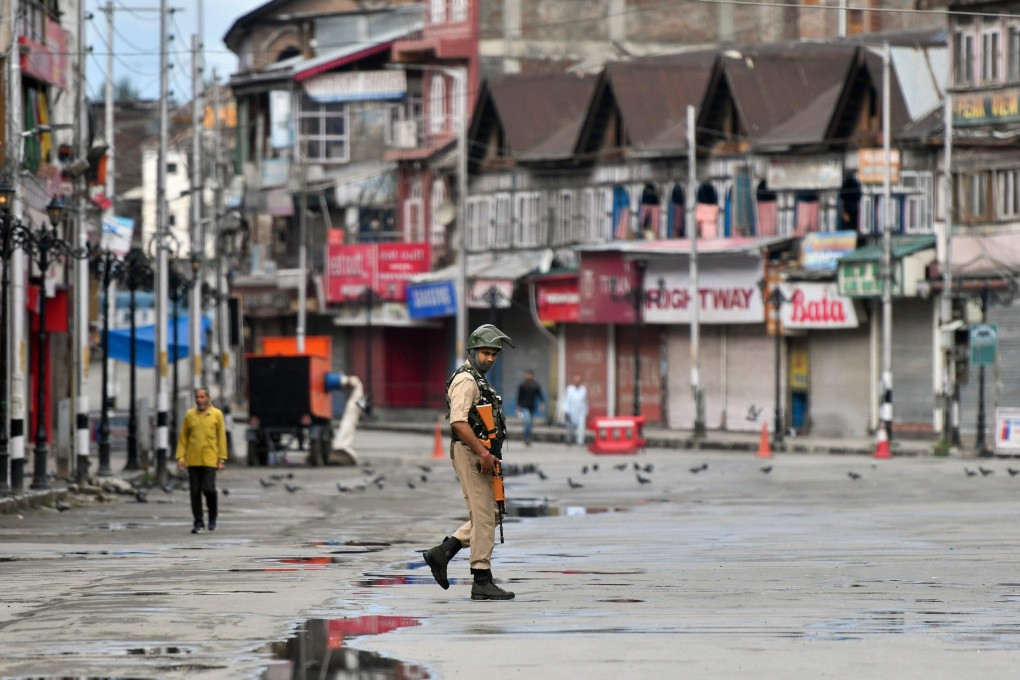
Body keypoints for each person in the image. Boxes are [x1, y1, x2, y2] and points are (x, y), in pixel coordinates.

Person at [422, 323, 516, 601]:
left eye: (494, 354)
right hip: (471, 453)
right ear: (473, 351)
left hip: (482, 454)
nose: (490, 358)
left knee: (493, 512)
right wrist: (484, 454)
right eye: (486, 352)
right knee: (485, 514)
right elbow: (459, 422)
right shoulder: (466, 380)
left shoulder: (478, 378)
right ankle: (481, 579)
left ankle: (443, 552)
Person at [176, 386, 228, 534]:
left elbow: (221, 438)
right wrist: (181, 457)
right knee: (195, 492)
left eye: (202, 397)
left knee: (208, 489)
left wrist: (222, 459)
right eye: (197, 397)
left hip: (210, 459)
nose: (199, 400)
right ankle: (198, 521)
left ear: (208, 398)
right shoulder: (190, 415)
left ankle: (212, 516)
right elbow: (183, 437)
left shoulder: (216, 414)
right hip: (193, 460)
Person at [516, 369, 546, 446]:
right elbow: (519, 397)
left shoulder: (535, 385)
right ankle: (526, 438)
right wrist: (518, 407)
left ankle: (528, 437)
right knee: (527, 421)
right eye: (527, 375)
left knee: (529, 423)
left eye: (530, 375)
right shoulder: (522, 385)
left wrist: (542, 404)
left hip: (532, 406)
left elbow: (540, 395)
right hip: (524, 406)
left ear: (532, 376)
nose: (528, 376)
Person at [562, 374, 588, 446]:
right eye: (575, 381)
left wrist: (586, 411)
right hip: (571, 411)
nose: (577, 382)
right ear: (573, 382)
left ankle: (580, 441)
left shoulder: (583, 389)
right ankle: (569, 439)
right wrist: (566, 410)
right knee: (570, 427)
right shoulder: (570, 389)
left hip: (581, 411)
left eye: (578, 381)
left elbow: (585, 401)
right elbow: (566, 401)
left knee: (581, 426)